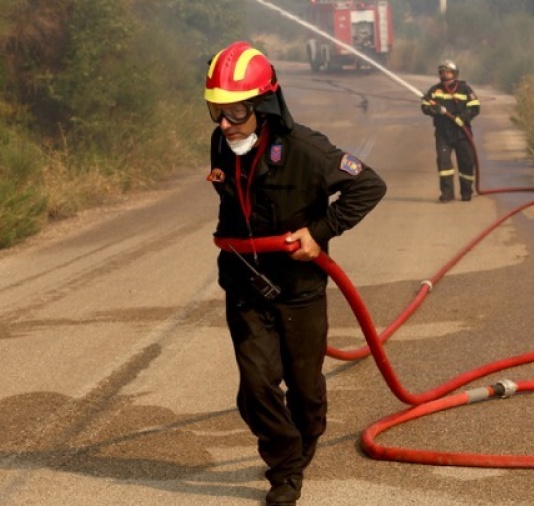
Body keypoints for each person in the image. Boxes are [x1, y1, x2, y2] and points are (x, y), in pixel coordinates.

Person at [204, 41, 386, 506]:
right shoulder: (222, 144)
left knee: (305, 390)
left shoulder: (306, 149)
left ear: (264, 105)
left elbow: (369, 185)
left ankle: (305, 437)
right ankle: (285, 469)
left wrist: (321, 231)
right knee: (257, 385)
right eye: (216, 111)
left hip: (299, 290)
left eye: (236, 111)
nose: (225, 124)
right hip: (245, 283)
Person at [420, 59, 481, 202]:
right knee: (444, 163)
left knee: (466, 162)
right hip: (443, 134)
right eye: (442, 72)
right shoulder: (435, 90)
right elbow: (424, 106)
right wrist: (432, 109)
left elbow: (475, 107)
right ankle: (447, 193)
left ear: (454, 73)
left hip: (462, 133)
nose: (445, 75)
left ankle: (466, 192)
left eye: (448, 72)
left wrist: (463, 117)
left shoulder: (465, 89)